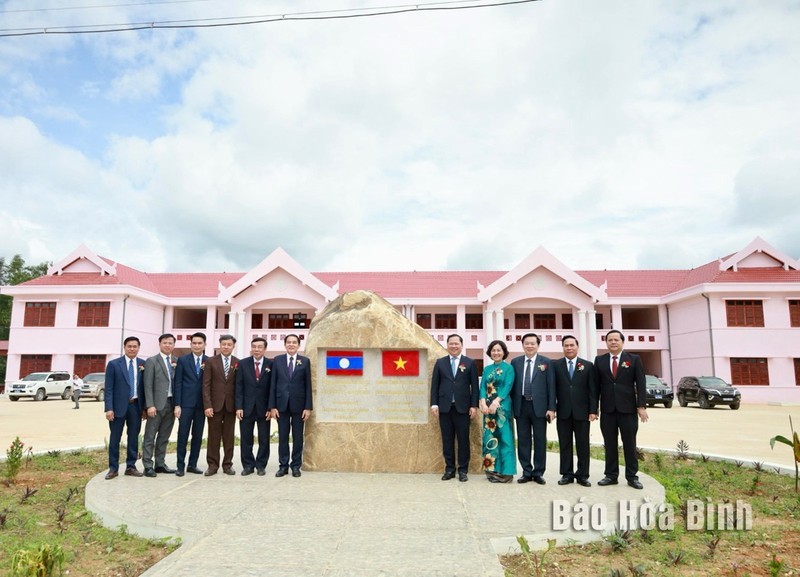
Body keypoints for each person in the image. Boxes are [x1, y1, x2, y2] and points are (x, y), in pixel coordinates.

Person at [594, 329, 648, 489]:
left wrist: (641, 406)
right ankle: (611, 475)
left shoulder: (634, 359)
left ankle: (632, 477)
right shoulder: (600, 360)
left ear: (622, 342)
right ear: (606, 343)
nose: (613, 342)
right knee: (609, 443)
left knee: (629, 443)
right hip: (608, 410)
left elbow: (641, 383)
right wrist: (594, 408)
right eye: (610, 340)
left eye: (616, 339)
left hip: (628, 410)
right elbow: (595, 386)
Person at [430, 334, 479, 482]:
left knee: (463, 440)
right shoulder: (440, 363)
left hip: (463, 408)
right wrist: (434, 403)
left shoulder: (469, 363)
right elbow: (435, 385)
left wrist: (474, 405)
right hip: (445, 408)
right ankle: (449, 469)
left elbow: (474, 387)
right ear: (447, 345)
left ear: (461, 345)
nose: (454, 346)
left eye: (456, 343)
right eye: (451, 343)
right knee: (447, 440)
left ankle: (463, 470)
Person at [511, 333, 555, 484]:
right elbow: (511, 385)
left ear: (538, 345)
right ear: (522, 345)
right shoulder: (515, 362)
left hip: (540, 408)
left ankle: (538, 472)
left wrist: (551, 408)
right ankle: (526, 471)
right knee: (523, 440)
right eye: (527, 343)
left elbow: (551, 387)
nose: (529, 346)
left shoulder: (547, 362)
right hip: (521, 405)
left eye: (532, 343)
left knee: (540, 439)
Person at [554, 335, 597, 487]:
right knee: (564, 444)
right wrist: (552, 408)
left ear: (577, 347)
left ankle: (583, 475)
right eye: (566, 345)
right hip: (563, 411)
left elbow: (593, 390)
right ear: (563, 348)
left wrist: (593, 410)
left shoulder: (587, 365)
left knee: (583, 444)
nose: (569, 348)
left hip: (582, 412)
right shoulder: (556, 365)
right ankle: (567, 474)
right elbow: (552, 389)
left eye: (572, 345)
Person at [269, 334, 312, 478]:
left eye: (294, 342)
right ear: (285, 344)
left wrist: (308, 407)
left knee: (297, 437)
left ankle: (295, 466)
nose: (291, 345)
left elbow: (308, 386)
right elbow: (273, 385)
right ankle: (283, 466)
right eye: (289, 342)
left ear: (299, 345)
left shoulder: (304, 361)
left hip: (299, 406)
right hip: (281, 406)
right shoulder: (278, 360)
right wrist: (272, 407)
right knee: (282, 437)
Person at [103, 336, 146, 479]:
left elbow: (145, 388)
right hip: (117, 408)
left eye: (135, 346)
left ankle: (131, 467)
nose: (132, 349)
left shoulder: (143, 364)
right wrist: (109, 408)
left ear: (139, 348)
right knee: (115, 438)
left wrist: (144, 408)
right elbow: (108, 388)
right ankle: (113, 468)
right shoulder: (114, 364)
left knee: (133, 437)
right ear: (124, 347)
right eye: (129, 346)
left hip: (136, 406)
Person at [479, 340, 516, 483]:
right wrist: (482, 402)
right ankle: (491, 469)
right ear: (490, 352)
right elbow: (482, 386)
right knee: (490, 438)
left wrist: (496, 401)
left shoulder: (509, 368)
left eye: (499, 350)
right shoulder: (487, 369)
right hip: (488, 409)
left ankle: (507, 472)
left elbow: (508, 386)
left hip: (502, 408)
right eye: (493, 350)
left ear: (504, 352)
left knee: (505, 439)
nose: (496, 353)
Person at [202, 334, 239, 476]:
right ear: (220, 345)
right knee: (213, 436)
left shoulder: (237, 362)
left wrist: (238, 406)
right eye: (223, 344)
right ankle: (212, 465)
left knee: (229, 436)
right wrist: (207, 405)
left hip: (231, 406)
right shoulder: (211, 362)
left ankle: (227, 464)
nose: (226, 347)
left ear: (233, 346)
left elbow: (238, 386)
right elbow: (206, 385)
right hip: (214, 406)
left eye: (229, 344)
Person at [235, 337, 273, 476]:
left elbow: (272, 388)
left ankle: (261, 465)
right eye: (254, 346)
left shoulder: (271, 364)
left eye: (259, 347)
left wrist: (270, 408)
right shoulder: (243, 364)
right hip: (246, 408)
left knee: (264, 439)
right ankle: (248, 465)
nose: (256, 349)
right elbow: (238, 386)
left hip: (264, 409)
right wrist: (238, 407)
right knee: (246, 439)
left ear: (265, 349)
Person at [142, 333, 178, 477]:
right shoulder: (152, 361)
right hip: (156, 405)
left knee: (164, 436)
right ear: (160, 344)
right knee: (150, 435)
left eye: (170, 343)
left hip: (171, 403)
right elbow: (147, 385)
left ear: (174, 345)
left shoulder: (176, 361)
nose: (167, 345)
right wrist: (150, 405)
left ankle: (160, 464)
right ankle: (147, 465)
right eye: (165, 343)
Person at [174, 332, 209, 476]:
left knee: (198, 435)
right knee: (182, 435)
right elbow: (178, 383)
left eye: (199, 343)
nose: (197, 345)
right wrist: (177, 405)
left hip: (201, 405)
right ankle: (180, 466)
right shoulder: (182, 360)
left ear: (205, 345)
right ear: (191, 344)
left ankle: (192, 464)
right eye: (194, 343)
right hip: (185, 405)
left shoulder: (209, 361)